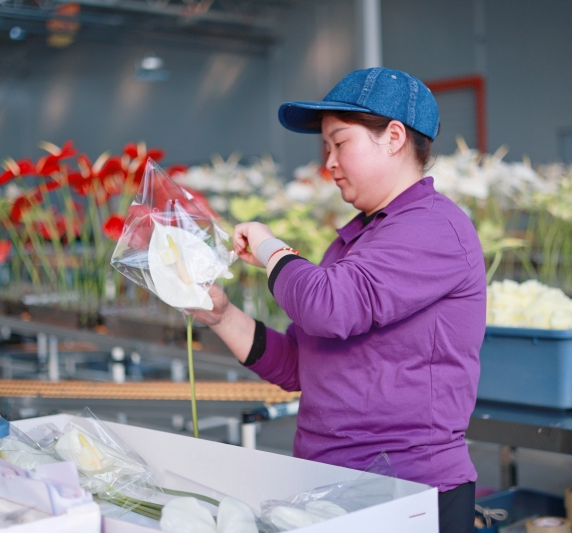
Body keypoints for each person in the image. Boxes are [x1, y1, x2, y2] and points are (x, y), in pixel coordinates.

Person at [191, 67, 485, 533]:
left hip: (405, 489)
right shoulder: (355, 240)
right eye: (325, 147)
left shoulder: (433, 227)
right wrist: (221, 315)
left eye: (340, 143)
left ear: (393, 138)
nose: (328, 162)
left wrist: (269, 246)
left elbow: (327, 307)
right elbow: (300, 364)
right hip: (330, 484)